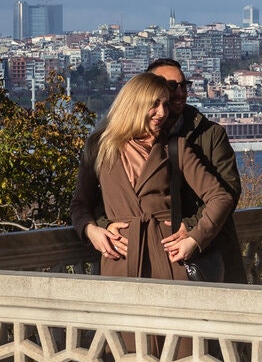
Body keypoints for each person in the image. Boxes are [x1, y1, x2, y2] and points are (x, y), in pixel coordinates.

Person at [71, 71, 234, 281]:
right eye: (154, 104)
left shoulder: (176, 148)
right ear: (133, 104)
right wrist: (91, 230)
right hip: (119, 259)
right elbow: (80, 204)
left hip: (170, 259)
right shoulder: (100, 147)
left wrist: (194, 239)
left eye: (165, 104)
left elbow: (221, 197)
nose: (162, 113)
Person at [146, 58, 247, 284]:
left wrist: (191, 226)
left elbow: (229, 193)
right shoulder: (135, 141)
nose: (181, 92)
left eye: (184, 85)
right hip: (153, 254)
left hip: (208, 254)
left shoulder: (211, 135)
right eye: (172, 86)